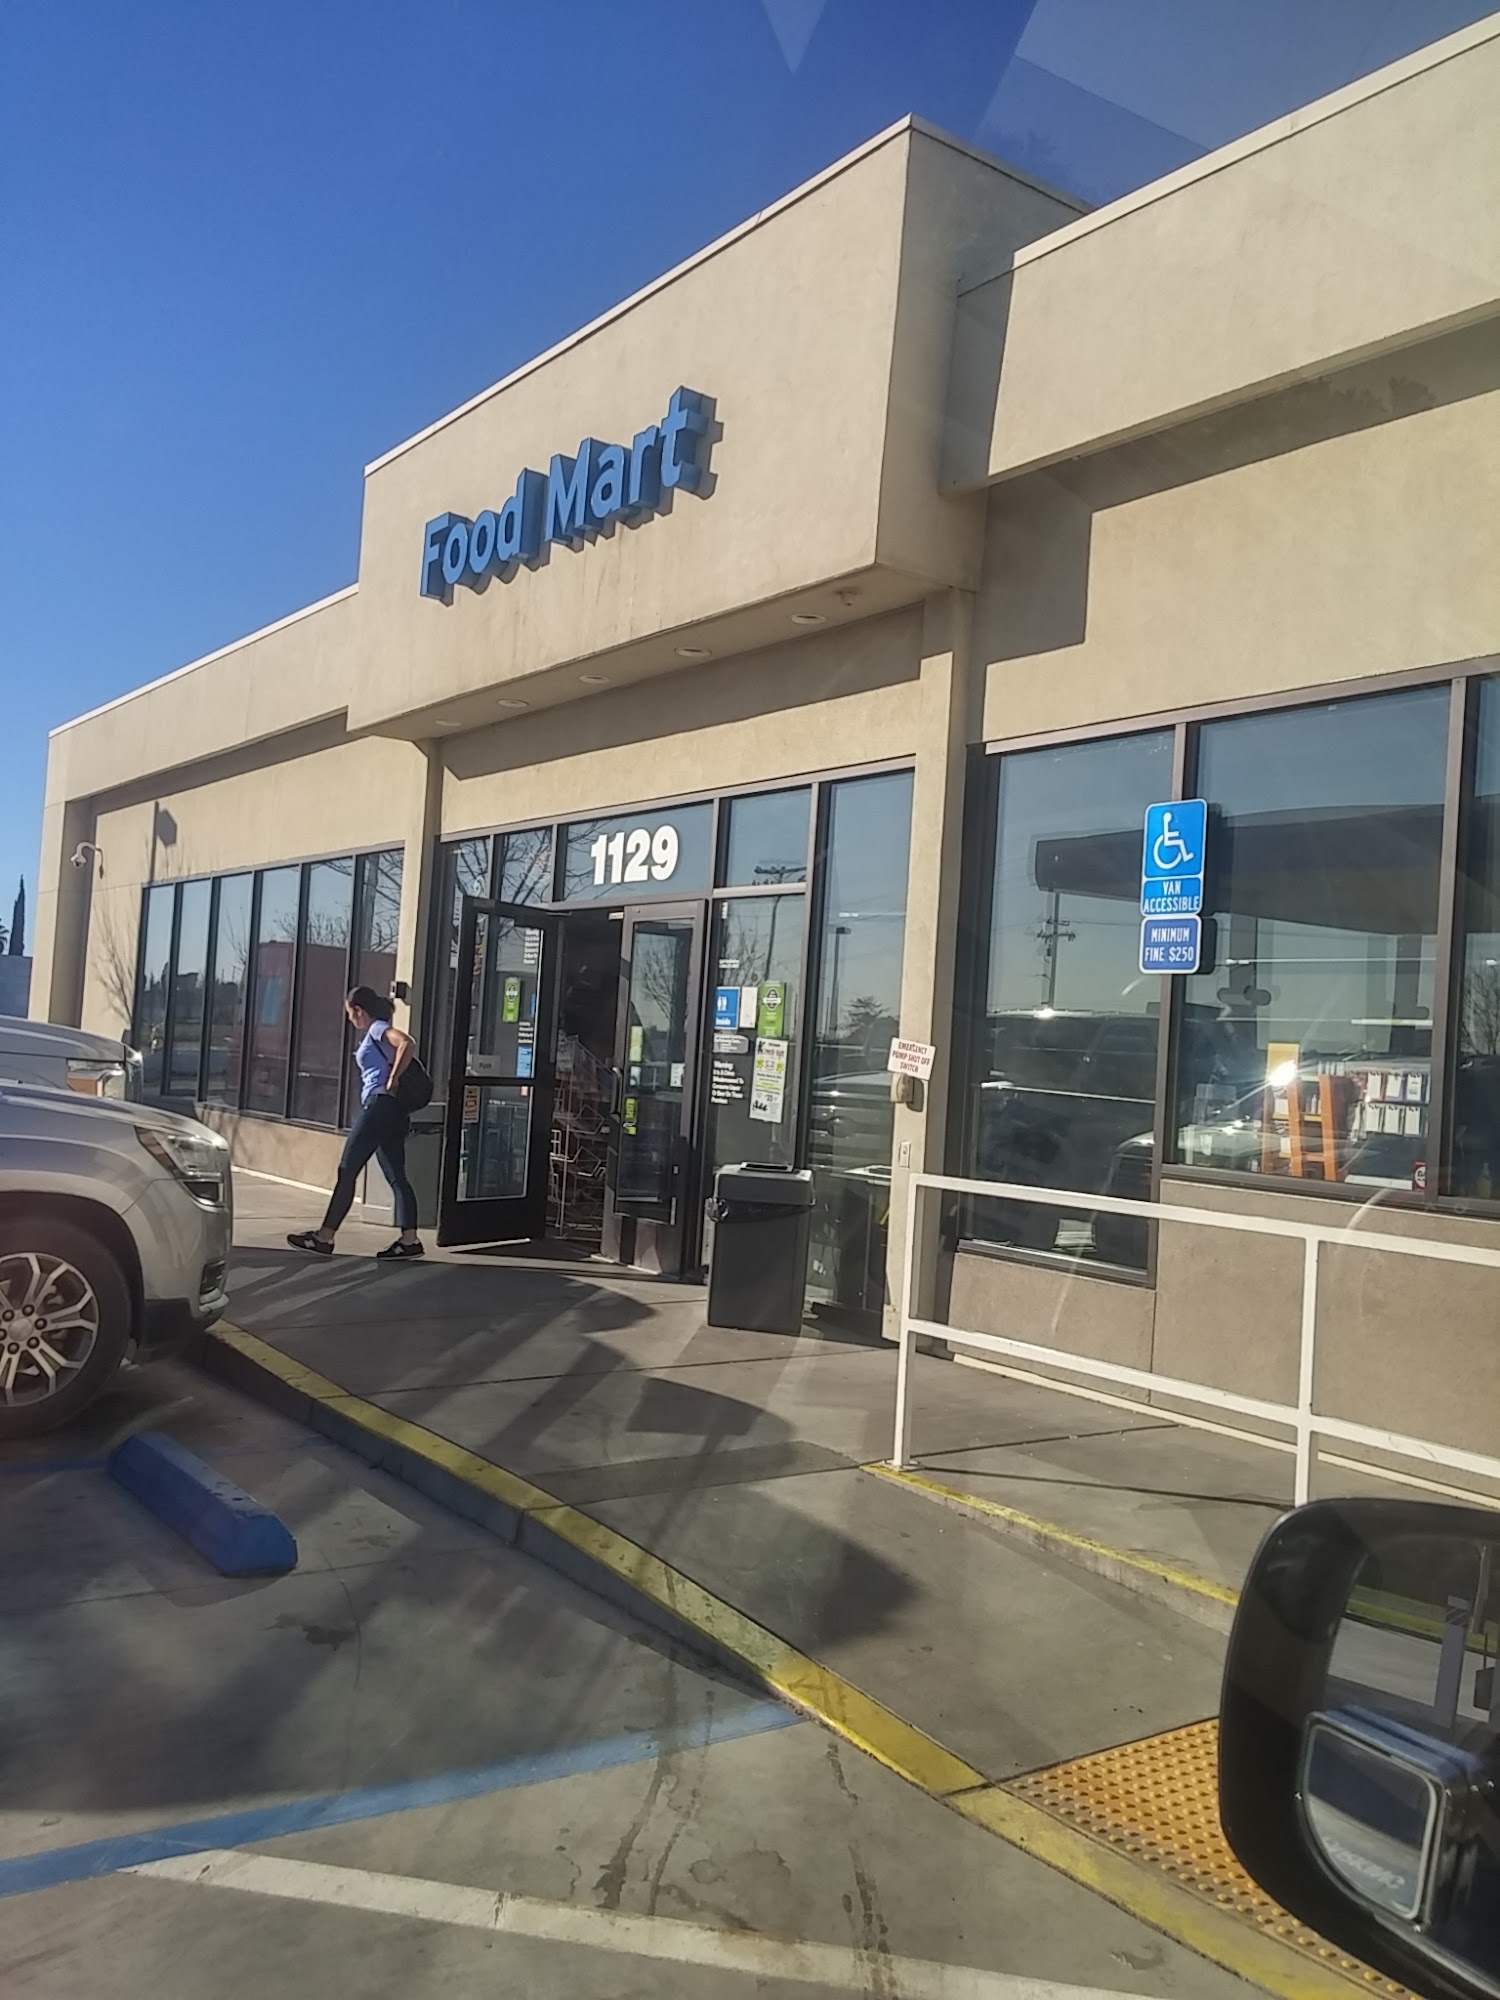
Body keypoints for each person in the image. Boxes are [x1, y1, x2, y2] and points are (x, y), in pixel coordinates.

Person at [288, 987, 424, 1260]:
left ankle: (324, 1237)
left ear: (359, 1010)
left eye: (350, 1013)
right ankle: (410, 1240)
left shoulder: (377, 1029)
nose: (350, 1019)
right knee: (397, 1177)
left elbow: (407, 1042)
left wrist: (392, 1079)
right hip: (394, 1111)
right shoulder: (375, 1031)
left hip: (379, 1107)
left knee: (347, 1170)